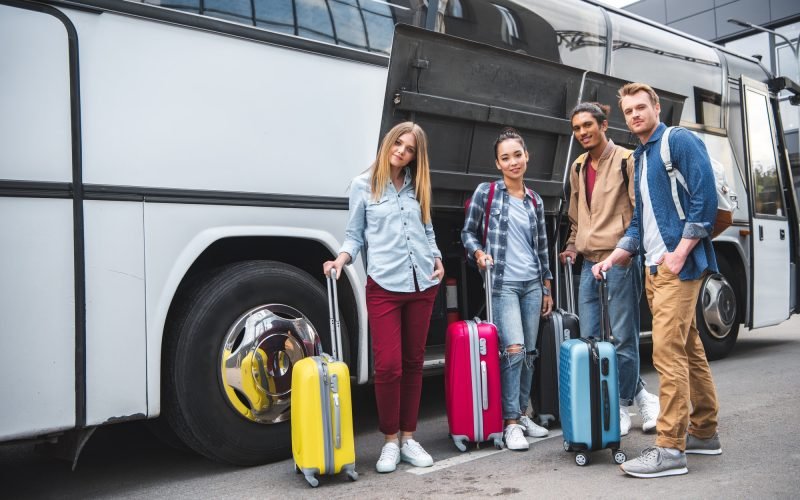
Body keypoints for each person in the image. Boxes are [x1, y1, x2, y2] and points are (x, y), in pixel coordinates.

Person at [593, 83, 722, 478]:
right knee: (688, 349)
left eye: (640, 108)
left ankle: (669, 449)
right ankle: (704, 432)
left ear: (656, 107)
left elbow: (705, 200)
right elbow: (638, 222)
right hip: (652, 268)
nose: (634, 115)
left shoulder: (677, 141)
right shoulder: (640, 158)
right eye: (628, 111)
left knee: (666, 353)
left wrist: (679, 254)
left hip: (677, 267)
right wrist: (615, 257)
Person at [323, 121, 445, 473]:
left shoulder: (415, 186)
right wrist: (340, 259)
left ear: (414, 157)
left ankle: (409, 437)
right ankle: (390, 440)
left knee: (413, 363)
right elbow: (354, 236)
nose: (401, 152)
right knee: (388, 366)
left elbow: (426, 226)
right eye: (398, 144)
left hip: (422, 283)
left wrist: (436, 257)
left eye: (409, 150)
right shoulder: (363, 186)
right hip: (384, 288)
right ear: (388, 143)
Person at [559, 102, 660, 437]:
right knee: (591, 338)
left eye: (588, 125)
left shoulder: (627, 160)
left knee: (622, 337)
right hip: (589, 262)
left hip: (619, 259)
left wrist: (627, 253)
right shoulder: (577, 166)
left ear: (603, 125)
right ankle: (643, 394)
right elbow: (577, 215)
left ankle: (620, 404)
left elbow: (638, 211)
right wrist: (573, 245)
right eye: (576, 128)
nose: (582, 132)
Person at [462, 127, 553, 451]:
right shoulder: (486, 194)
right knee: (513, 350)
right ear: (498, 164)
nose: (513, 161)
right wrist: (478, 253)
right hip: (502, 285)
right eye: (506, 157)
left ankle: (524, 413)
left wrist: (546, 286)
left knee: (529, 353)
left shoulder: (534, 201)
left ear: (526, 156)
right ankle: (511, 422)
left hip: (531, 285)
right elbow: (467, 233)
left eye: (518, 155)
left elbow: (541, 247)